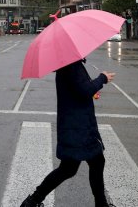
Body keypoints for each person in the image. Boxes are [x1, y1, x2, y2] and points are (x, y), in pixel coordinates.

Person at [21, 59, 116, 207]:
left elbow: (80, 89)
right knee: (81, 165)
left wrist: (92, 89)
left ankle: (33, 201)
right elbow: (84, 90)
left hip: (76, 124)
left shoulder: (69, 64)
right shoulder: (72, 65)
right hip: (78, 126)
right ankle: (33, 200)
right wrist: (102, 78)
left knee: (74, 167)